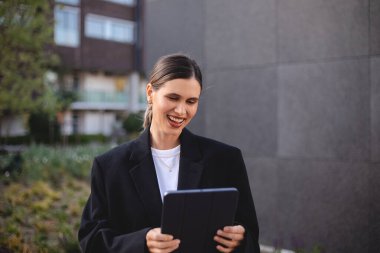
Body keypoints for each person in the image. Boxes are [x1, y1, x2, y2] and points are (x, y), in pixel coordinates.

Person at [78, 54, 260, 253]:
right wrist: (142, 242)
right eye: (173, 97)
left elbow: (250, 237)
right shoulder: (110, 166)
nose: (181, 110)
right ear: (150, 93)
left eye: (191, 101)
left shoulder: (225, 160)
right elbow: (91, 240)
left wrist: (240, 240)